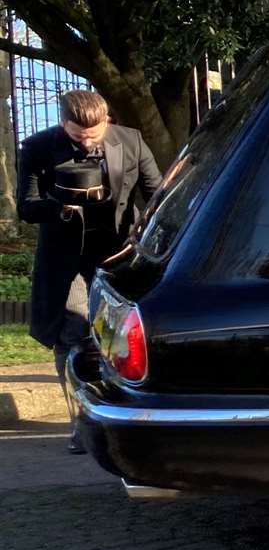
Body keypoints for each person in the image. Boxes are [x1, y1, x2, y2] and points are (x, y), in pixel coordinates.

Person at [17, 90, 161, 452]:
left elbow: (156, 193)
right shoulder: (37, 147)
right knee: (73, 332)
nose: (88, 140)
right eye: (78, 134)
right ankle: (82, 426)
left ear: (106, 119)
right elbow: (26, 206)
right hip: (63, 256)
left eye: (94, 133)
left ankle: (125, 419)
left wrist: (149, 238)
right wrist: (60, 206)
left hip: (116, 252)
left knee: (118, 337)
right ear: (63, 121)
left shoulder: (130, 140)